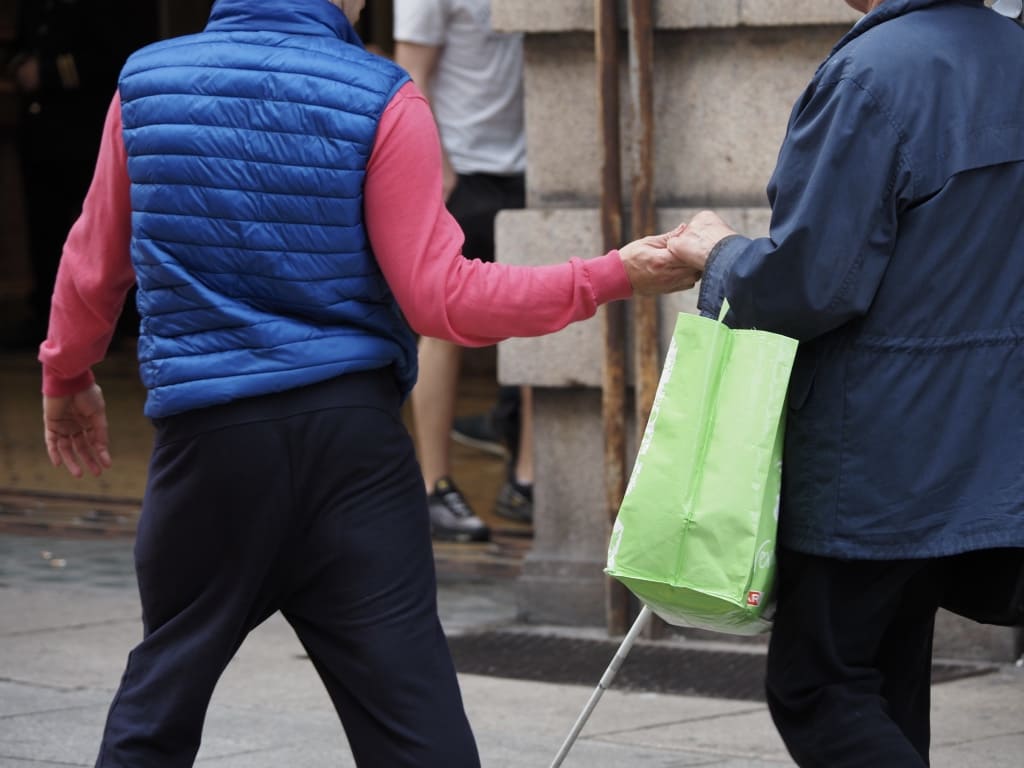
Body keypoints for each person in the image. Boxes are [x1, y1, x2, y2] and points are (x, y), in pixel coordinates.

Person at [37, 1, 700, 765]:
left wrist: (66, 372)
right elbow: (444, 300)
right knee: (416, 733)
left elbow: (93, 263)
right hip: (352, 449)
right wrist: (612, 274)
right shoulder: (381, 96)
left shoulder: (145, 86)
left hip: (211, 447)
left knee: (157, 707)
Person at [667, 0, 1024, 765]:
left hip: (878, 445)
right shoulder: (1008, 50)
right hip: (986, 434)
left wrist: (719, 254)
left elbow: (811, 285)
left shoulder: (873, 74)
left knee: (821, 685)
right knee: (885, 679)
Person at [393, 0, 534, 542]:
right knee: (441, 324)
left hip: (531, 167)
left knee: (536, 314)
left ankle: (527, 478)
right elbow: (412, 71)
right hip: (461, 172)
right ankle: (434, 486)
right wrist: (436, 167)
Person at [5, 0, 159, 348]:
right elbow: (22, 45)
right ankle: (49, 320)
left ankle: (116, 322)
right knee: (45, 234)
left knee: (107, 233)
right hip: (41, 133)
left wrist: (46, 73)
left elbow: (115, 54)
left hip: (87, 130)